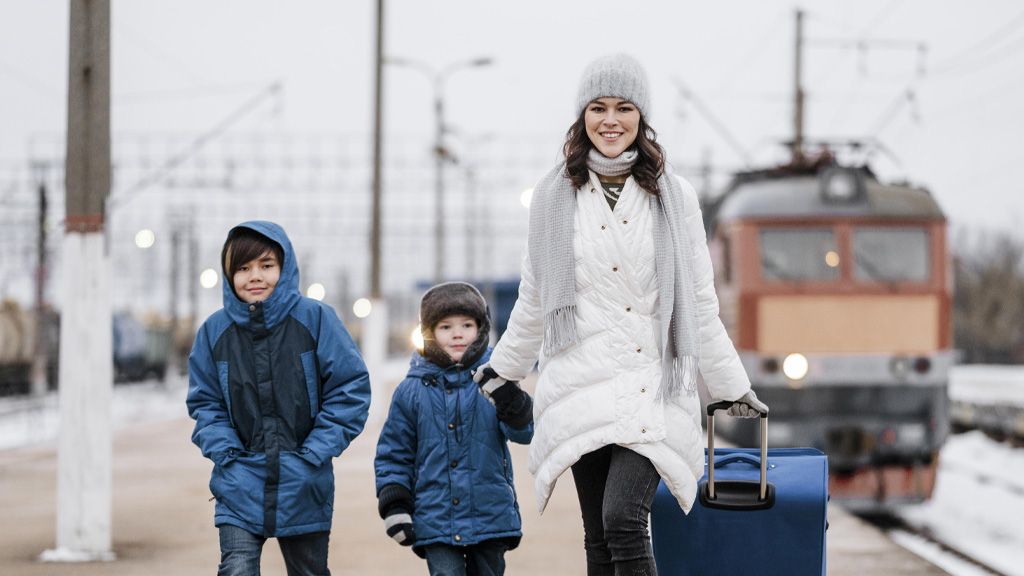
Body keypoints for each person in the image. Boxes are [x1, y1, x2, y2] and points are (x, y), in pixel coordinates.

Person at [473, 54, 768, 576]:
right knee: (598, 539)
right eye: (598, 107)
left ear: (641, 116)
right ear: (582, 116)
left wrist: (729, 386)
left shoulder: (675, 197)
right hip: (580, 383)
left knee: (623, 521)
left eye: (624, 107)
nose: (611, 120)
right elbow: (537, 298)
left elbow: (699, 301)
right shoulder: (553, 197)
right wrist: (505, 368)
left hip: (649, 387)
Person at [187, 221, 371, 576]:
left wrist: (314, 452)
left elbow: (350, 390)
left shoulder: (316, 319)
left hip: (304, 482)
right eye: (243, 268)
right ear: (228, 275)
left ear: (284, 269)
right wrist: (227, 454)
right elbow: (205, 403)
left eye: (266, 266)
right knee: (237, 569)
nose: (255, 276)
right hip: (239, 481)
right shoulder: (214, 332)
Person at [374, 282, 534, 576]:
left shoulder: (496, 380)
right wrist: (395, 503)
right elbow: (394, 452)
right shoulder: (410, 390)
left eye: (467, 325)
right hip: (435, 514)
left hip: (489, 513)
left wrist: (512, 402)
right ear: (429, 333)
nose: (457, 334)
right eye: (446, 327)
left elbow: (524, 433)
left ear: (481, 329)